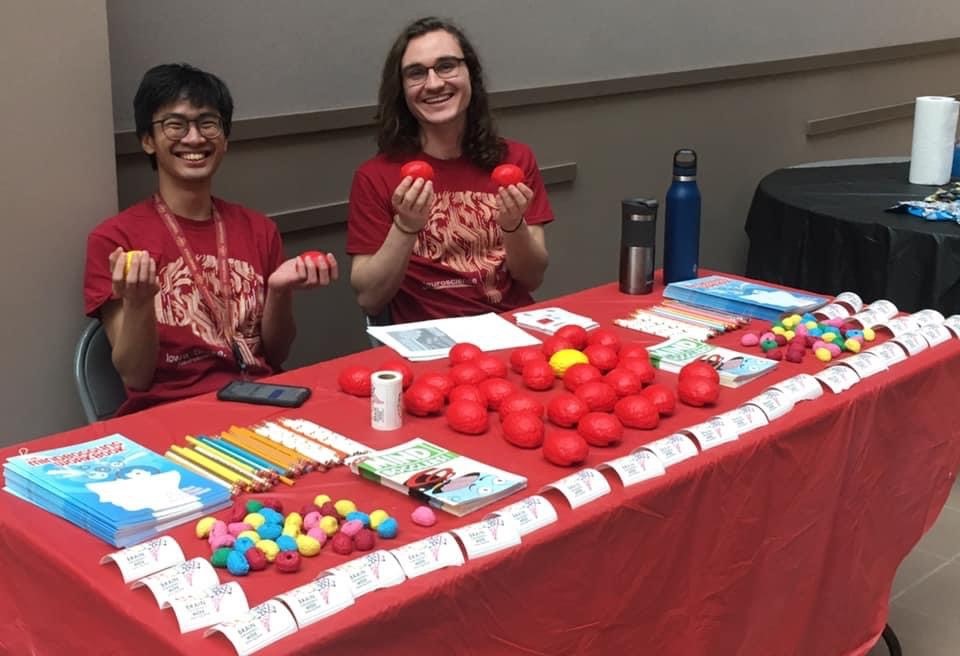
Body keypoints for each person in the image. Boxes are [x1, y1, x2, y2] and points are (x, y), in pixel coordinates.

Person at [84, 63, 337, 415]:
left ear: (225, 139)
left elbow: (276, 356)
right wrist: (140, 302)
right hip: (170, 414)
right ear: (147, 140)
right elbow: (136, 377)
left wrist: (279, 291)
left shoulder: (258, 229)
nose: (194, 138)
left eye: (208, 123)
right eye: (175, 124)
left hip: (263, 403)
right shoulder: (115, 240)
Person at [347, 17, 554, 324]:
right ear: (401, 89)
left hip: (510, 326)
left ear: (471, 73)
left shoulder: (515, 158)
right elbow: (370, 298)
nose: (433, 83)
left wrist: (513, 226)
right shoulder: (375, 175)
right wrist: (406, 226)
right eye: (416, 73)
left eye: (446, 66)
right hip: (426, 337)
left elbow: (532, 278)